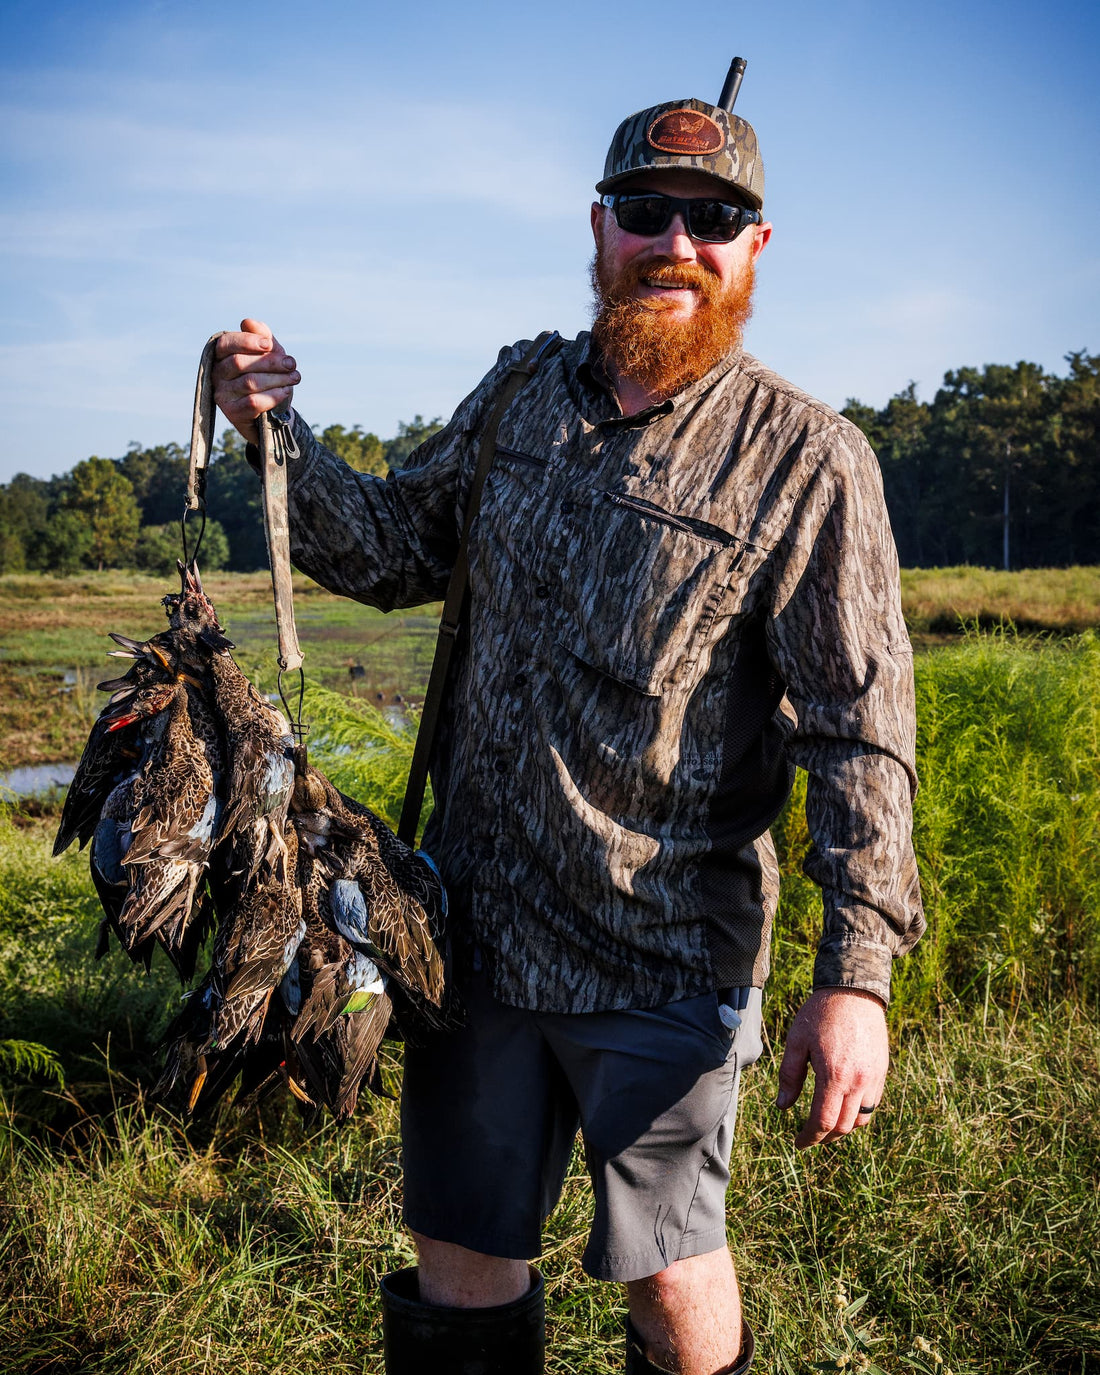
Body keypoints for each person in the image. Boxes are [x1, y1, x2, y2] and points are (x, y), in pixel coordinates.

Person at [214, 83, 923, 1375]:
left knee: (668, 1275)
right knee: (462, 1264)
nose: (675, 243)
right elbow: (383, 546)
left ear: (756, 249)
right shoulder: (521, 401)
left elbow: (859, 732)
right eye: (647, 211)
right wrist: (274, 433)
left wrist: (856, 975)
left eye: (713, 220)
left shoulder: (809, 462)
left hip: (662, 960)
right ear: (598, 228)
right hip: (471, 936)